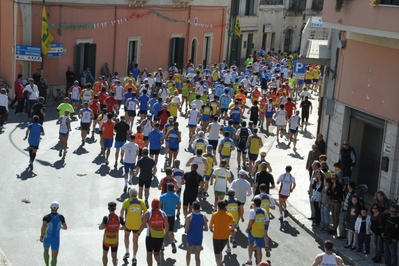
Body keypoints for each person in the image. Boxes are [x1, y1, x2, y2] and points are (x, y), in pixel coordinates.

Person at [137, 198, 168, 266]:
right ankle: (159, 263)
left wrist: (139, 233)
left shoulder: (148, 213)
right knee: (157, 253)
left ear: (151, 205)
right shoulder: (163, 214)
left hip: (150, 237)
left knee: (149, 253)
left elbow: (143, 224)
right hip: (160, 236)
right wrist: (164, 234)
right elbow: (167, 226)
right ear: (159, 205)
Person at [120, 188, 147, 265]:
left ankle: (127, 252)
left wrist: (122, 220)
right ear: (137, 194)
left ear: (130, 194)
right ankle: (134, 257)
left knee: (126, 237)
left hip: (128, 224)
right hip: (137, 225)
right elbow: (146, 212)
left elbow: (122, 211)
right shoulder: (141, 202)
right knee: (135, 241)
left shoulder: (127, 201)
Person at [40, 201, 67, 266]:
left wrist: (42, 236)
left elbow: (44, 226)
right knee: (54, 257)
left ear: (50, 207)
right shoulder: (61, 217)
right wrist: (60, 227)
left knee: (46, 251)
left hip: (47, 238)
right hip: (56, 239)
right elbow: (65, 227)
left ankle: (46, 265)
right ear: (58, 208)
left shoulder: (46, 217)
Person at [99, 202, 126, 266]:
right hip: (115, 240)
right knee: (114, 257)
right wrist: (118, 228)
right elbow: (125, 226)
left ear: (108, 208)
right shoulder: (119, 218)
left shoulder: (106, 218)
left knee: (105, 255)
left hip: (107, 241)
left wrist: (101, 226)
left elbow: (101, 227)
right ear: (115, 209)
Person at [209, 201, 235, 266]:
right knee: (220, 252)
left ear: (218, 207)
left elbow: (210, 226)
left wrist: (212, 228)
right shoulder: (229, 215)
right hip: (225, 237)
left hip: (216, 237)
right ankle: (219, 264)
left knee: (217, 256)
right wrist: (228, 228)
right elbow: (233, 226)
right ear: (225, 207)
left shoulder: (214, 215)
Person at [245, 197, 269, 266]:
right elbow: (267, 222)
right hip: (261, 232)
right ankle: (259, 264)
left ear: (254, 203)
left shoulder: (252, 211)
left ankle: (249, 260)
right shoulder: (264, 211)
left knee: (250, 244)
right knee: (259, 249)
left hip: (253, 231)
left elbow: (251, 221)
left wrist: (248, 228)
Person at [185, 201, 208, 266]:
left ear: (193, 207)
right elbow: (206, 229)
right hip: (199, 237)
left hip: (191, 237)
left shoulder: (189, 216)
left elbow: (186, 230)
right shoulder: (203, 216)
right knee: (197, 256)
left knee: (188, 253)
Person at [159, 182, 181, 254]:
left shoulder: (163, 196)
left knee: (163, 230)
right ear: (173, 189)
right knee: (170, 231)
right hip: (172, 216)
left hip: (164, 216)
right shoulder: (176, 197)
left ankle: (162, 245)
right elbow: (178, 207)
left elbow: (159, 206)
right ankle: (173, 242)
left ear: (167, 188)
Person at [224, 189, 244, 254]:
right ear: (234, 195)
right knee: (232, 230)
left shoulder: (226, 201)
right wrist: (241, 216)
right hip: (234, 219)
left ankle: (228, 248)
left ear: (228, 195)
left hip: (227, 219)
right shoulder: (237, 201)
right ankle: (234, 239)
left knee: (226, 233)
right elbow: (241, 208)